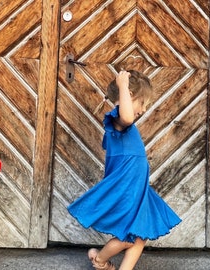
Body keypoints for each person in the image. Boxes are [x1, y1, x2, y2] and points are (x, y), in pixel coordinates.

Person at [68, 70, 181, 270]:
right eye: (142, 102)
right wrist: (122, 85)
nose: (144, 109)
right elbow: (128, 116)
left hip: (137, 188)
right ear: (127, 96)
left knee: (140, 236)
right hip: (127, 187)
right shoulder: (119, 120)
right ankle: (100, 260)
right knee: (129, 236)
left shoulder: (124, 123)